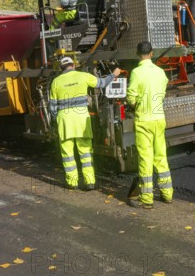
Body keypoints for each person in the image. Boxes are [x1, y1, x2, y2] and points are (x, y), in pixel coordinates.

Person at [49, 56, 121, 190]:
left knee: (67, 154)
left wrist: (55, 120)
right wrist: (113, 74)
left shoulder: (55, 82)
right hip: (81, 119)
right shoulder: (83, 76)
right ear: (74, 65)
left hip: (65, 121)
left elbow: (52, 107)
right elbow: (101, 83)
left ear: (61, 68)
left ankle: (72, 183)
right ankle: (89, 182)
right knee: (86, 151)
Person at [126, 41, 173, 209]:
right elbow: (162, 92)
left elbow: (131, 96)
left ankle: (147, 199)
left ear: (138, 54)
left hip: (144, 120)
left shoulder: (136, 73)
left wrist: (136, 104)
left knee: (146, 158)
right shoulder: (161, 72)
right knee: (161, 156)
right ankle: (167, 194)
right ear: (152, 54)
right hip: (159, 118)